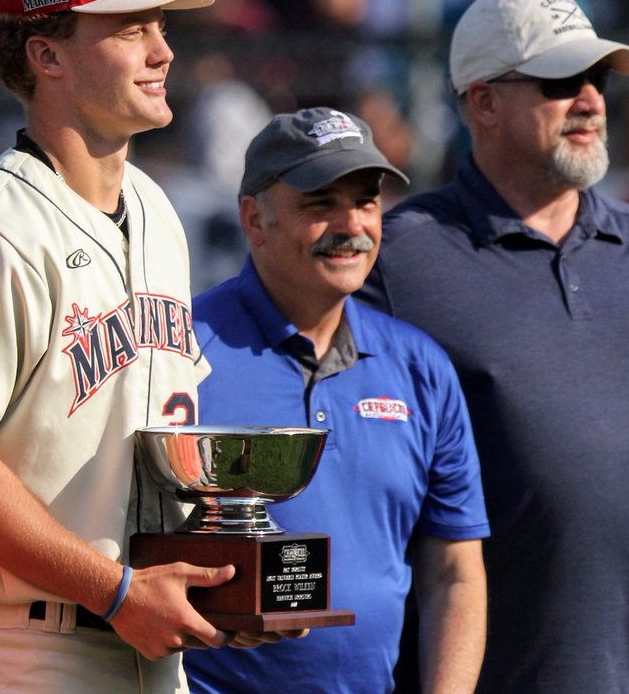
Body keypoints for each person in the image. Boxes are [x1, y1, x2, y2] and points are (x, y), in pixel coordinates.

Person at [0, 0, 298, 694]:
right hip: (25, 650)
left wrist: (224, 574)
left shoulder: (154, 208)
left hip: (151, 642)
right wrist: (112, 590)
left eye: (160, 26)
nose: (163, 51)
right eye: (130, 29)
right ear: (46, 55)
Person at [357, 0, 629, 693]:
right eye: (561, 81)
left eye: (598, 78)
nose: (590, 100)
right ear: (484, 102)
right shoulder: (399, 261)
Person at [182, 108, 490, 693]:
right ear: (254, 220)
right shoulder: (180, 352)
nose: (351, 225)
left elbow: (455, 572)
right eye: (320, 203)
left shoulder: (419, 366)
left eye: (366, 202)